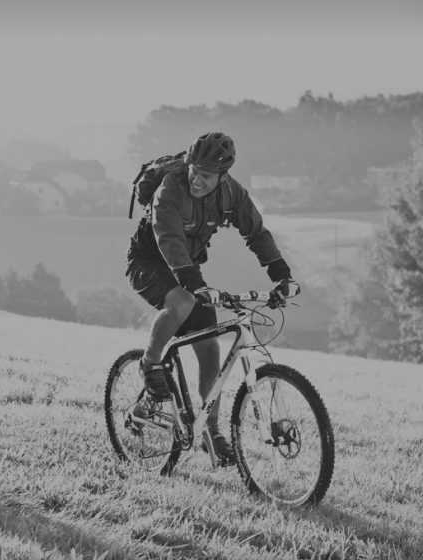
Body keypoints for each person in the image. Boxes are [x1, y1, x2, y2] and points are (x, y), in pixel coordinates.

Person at [125, 131, 300, 465]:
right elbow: (169, 238)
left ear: (222, 176)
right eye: (194, 170)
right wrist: (193, 282)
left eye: (206, 176)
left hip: (187, 269)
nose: (196, 179)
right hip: (149, 261)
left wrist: (280, 274)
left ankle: (211, 433)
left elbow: (256, 233)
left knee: (211, 348)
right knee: (183, 302)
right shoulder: (170, 190)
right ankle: (150, 363)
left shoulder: (232, 194)